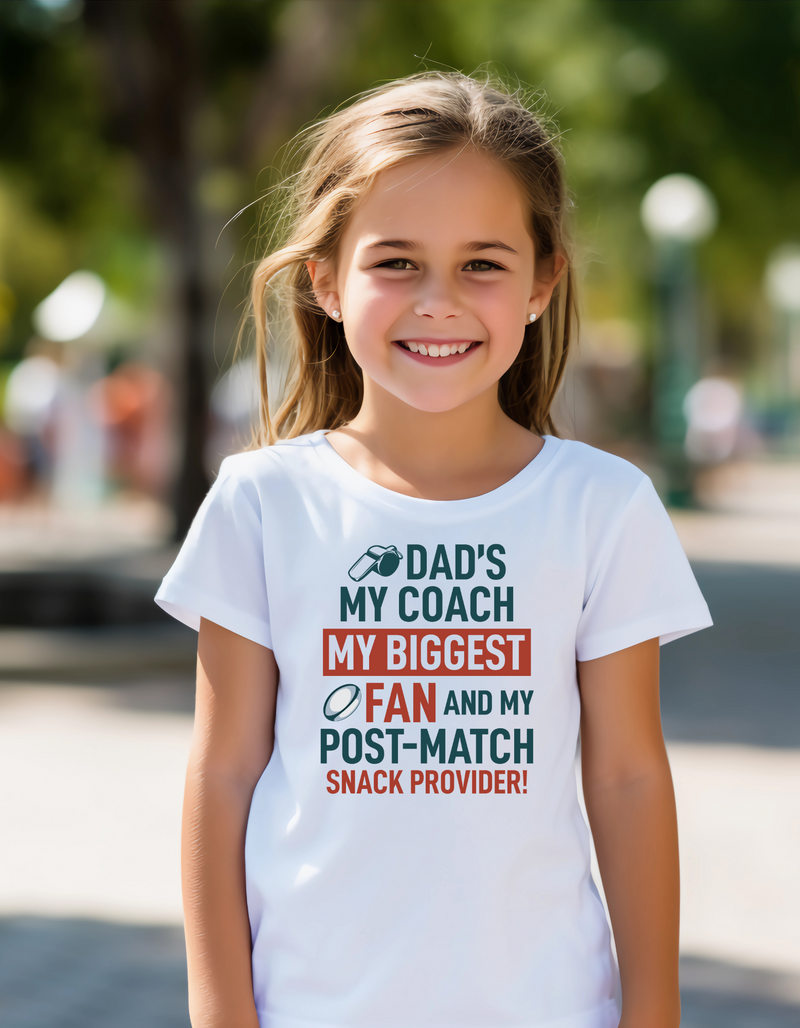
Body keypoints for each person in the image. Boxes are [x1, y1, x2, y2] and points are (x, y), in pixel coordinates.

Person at [156, 71, 712, 1028]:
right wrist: (222, 1015)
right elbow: (224, 772)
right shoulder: (261, 504)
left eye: (483, 264)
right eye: (397, 262)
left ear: (542, 284)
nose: (439, 301)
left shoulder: (603, 506)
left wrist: (653, 1010)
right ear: (326, 281)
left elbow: (626, 776)